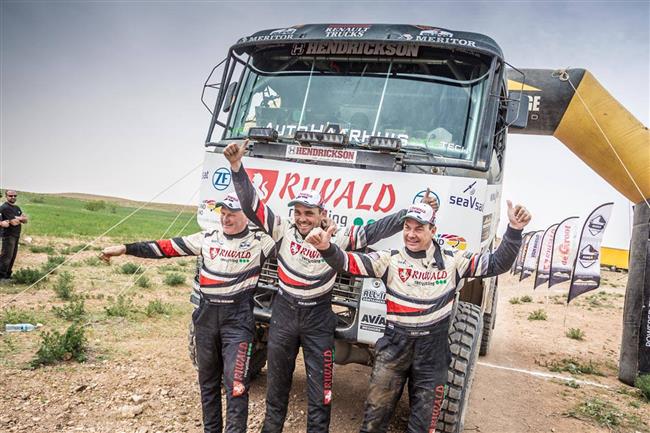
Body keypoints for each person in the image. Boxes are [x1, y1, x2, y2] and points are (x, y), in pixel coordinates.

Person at [223, 141, 438, 433]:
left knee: (320, 395)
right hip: (284, 316)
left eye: (308, 213)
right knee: (276, 391)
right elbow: (251, 205)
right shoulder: (282, 229)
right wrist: (237, 168)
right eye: (298, 212)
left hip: (318, 319)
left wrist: (411, 213)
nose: (302, 218)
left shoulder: (337, 238)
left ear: (322, 213)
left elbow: (374, 230)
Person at [304, 200, 531, 433]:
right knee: (373, 422)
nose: (411, 234)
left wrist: (514, 231)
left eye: (419, 228)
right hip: (393, 349)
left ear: (433, 230)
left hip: (432, 354)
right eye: (407, 227)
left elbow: (495, 263)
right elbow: (347, 263)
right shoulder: (389, 259)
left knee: (422, 428)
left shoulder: (454, 261)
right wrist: (326, 248)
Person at [100, 193, 274, 433]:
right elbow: (165, 248)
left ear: (246, 215)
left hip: (238, 322)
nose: (225, 218)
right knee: (208, 384)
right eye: (222, 214)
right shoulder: (207, 238)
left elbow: (297, 247)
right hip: (206, 320)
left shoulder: (261, 242)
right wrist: (124, 249)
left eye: (231, 214)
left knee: (236, 386)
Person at [0, 190, 28, 281]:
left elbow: (25, 220)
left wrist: (17, 218)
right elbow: (14, 222)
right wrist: (19, 218)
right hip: (8, 235)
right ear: (6, 196)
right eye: (10, 195)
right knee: (6, 256)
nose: (13, 197)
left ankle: (8, 275)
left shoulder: (16, 208)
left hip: (16, 235)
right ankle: (2, 276)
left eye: (15, 196)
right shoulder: (5, 207)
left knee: (12, 256)